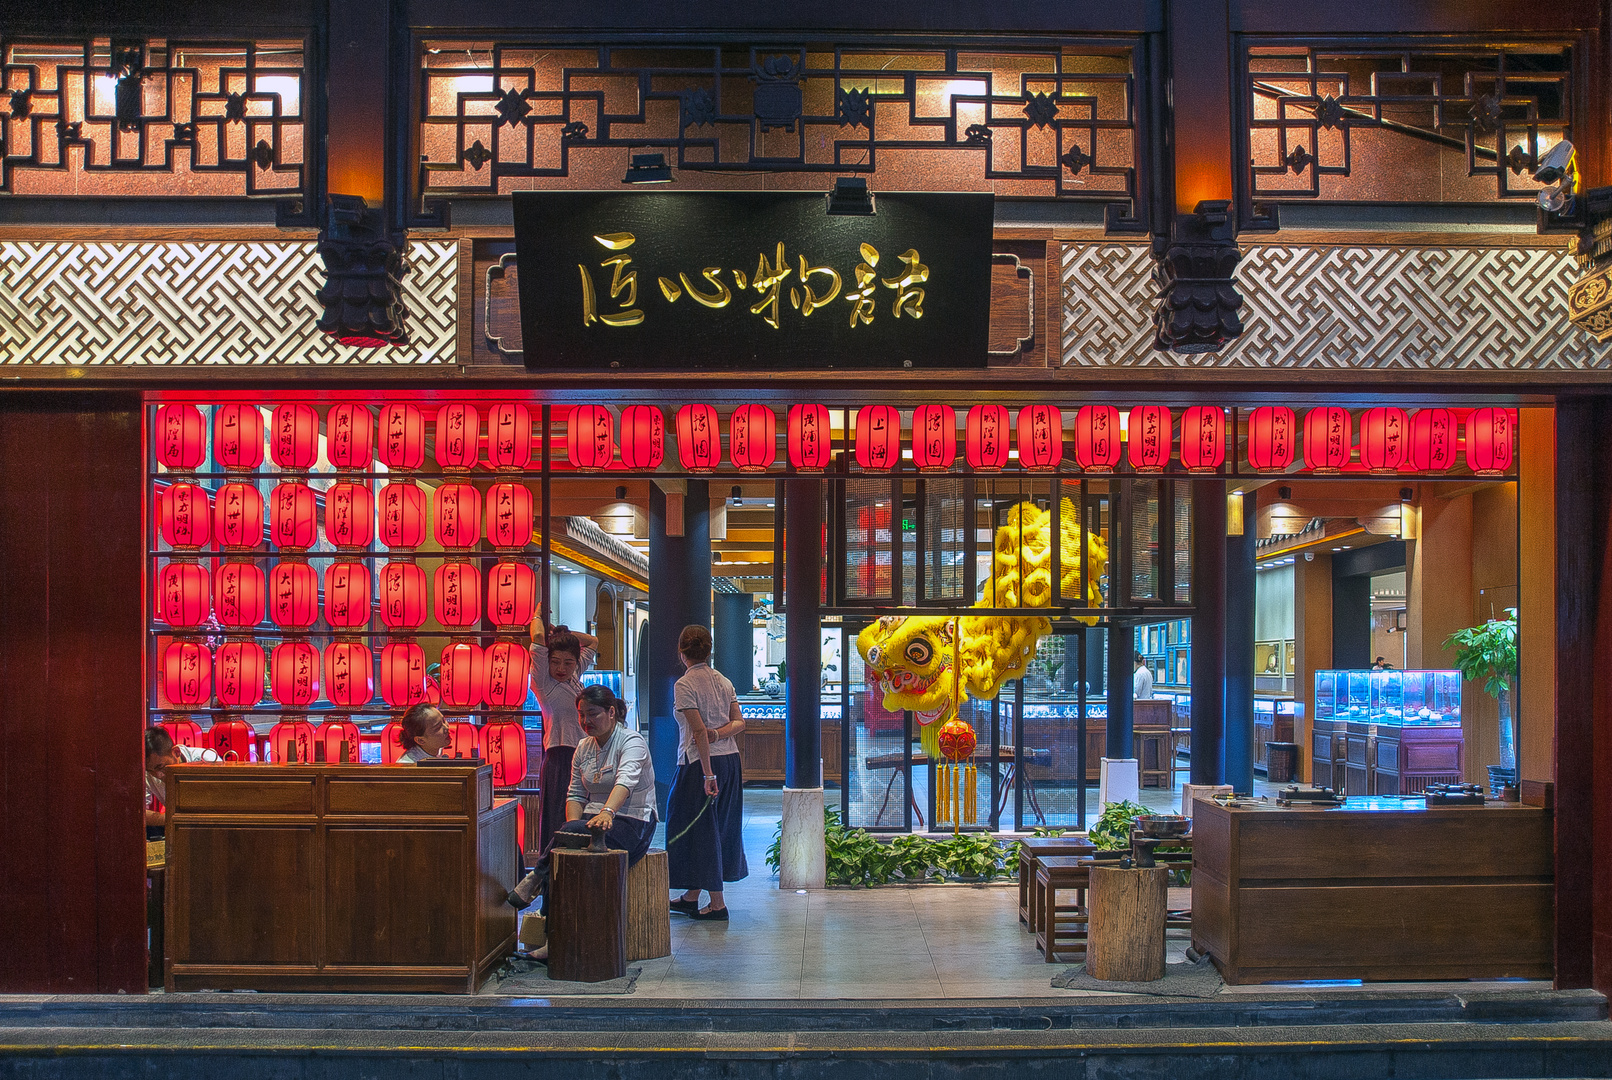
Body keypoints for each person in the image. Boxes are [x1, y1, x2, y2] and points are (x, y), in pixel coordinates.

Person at [506, 685, 657, 946]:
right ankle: (552, 933)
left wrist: (608, 812)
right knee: (563, 850)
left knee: (568, 840)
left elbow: (626, 781)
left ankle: (535, 882)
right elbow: (575, 794)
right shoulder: (584, 746)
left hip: (632, 820)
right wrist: (571, 828)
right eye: (581, 715)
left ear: (611, 712)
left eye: (593, 714)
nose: (586, 721)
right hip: (589, 822)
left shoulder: (632, 741)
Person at [666, 624, 748, 920]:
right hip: (731, 761)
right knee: (721, 826)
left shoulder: (684, 685)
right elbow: (739, 723)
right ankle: (691, 895)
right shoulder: (723, 681)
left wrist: (707, 773)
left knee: (698, 829)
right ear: (709, 650)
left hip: (700, 765)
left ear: (681, 652)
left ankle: (717, 903)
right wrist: (719, 734)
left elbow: (698, 731)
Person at [530, 621, 598, 856]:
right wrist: (539, 616)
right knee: (559, 822)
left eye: (568, 662)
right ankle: (551, 878)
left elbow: (593, 642)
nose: (561, 667)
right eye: (555, 661)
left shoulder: (574, 676)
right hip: (560, 758)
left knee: (581, 822)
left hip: (583, 757)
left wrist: (565, 634)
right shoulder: (544, 682)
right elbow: (537, 636)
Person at [144, 727, 218, 838]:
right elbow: (139, 812)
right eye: (151, 771)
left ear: (176, 752)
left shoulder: (206, 760)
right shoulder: (148, 771)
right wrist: (172, 819)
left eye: (160, 767)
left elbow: (220, 805)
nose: (158, 775)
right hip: (180, 825)